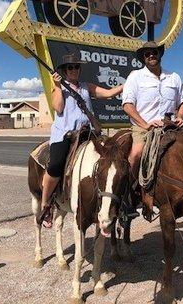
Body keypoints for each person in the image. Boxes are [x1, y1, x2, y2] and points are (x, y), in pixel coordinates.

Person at [39, 53, 123, 228]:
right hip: (65, 134)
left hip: (87, 133)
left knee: (109, 159)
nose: (74, 70)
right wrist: (56, 85)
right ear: (64, 70)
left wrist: (127, 83)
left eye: (76, 67)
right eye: (70, 67)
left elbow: (108, 93)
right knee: (55, 165)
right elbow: (58, 107)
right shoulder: (58, 88)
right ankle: (45, 204)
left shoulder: (86, 86)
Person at [122, 41, 183, 219]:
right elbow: (127, 105)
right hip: (145, 127)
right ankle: (127, 196)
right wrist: (145, 124)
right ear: (143, 58)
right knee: (136, 153)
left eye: (155, 52)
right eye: (147, 53)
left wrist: (180, 117)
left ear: (160, 54)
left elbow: (182, 103)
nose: (151, 55)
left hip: (171, 126)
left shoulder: (173, 77)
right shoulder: (135, 76)